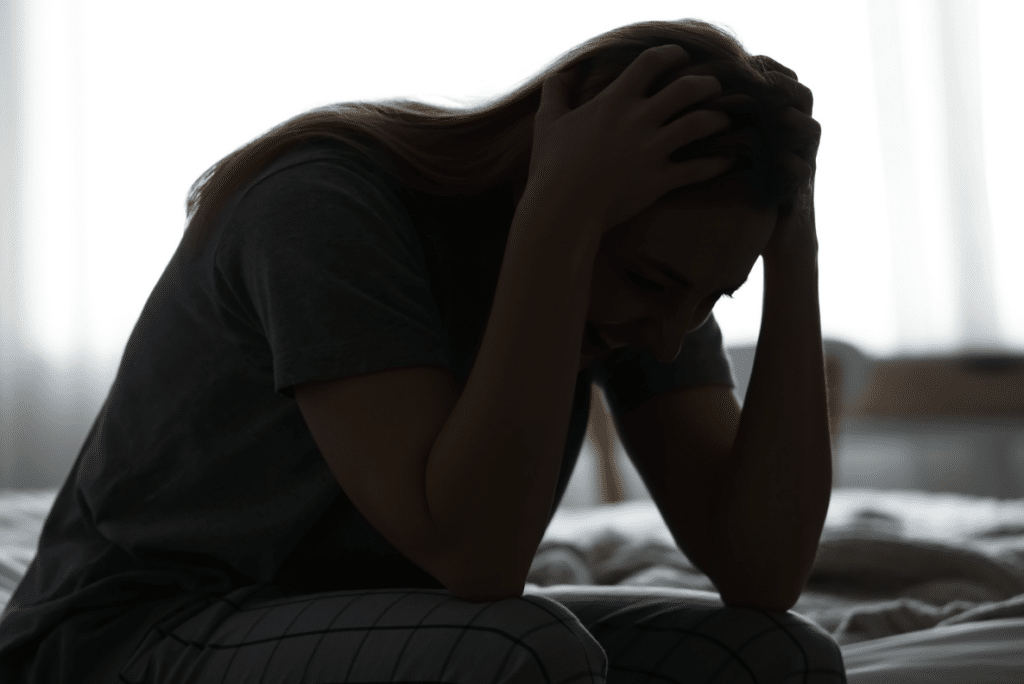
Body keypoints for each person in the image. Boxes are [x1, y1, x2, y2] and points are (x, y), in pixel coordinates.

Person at [0, 17, 845, 683]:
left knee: (778, 657)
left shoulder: (646, 277)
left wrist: (796, 253)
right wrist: (558, 223)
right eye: (653, 284)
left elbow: (762, 570)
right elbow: (479, 556)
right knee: (531, 651)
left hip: (362, 618)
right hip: (127, 632)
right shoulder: (325, 208)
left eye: (709, 300)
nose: (671, 333)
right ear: (554, 181)